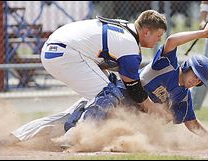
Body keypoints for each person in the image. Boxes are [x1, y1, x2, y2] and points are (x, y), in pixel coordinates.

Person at [0, 21, 208, 147]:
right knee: (66, 119)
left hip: (124, 117)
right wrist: (202, 33)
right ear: (186, 67)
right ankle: (14, 137)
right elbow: (172, 40)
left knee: (105, 133)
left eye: (199, 81)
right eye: (195, 74)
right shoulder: (166, 65)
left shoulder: (184, 97)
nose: (196, 81)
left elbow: (191, 123)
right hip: (111, 97)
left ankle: (72, 139)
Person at [41, 9, 169, 117]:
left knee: (103, 92)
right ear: (146, 32)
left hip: (53, 49)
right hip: (67, 54)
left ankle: (27, 134)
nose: (159, 40)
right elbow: (133, 87)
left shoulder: (124, 29)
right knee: (108, 96)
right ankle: (77, 136)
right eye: (158, 36)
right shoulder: (130, 46)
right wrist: (152, 107)